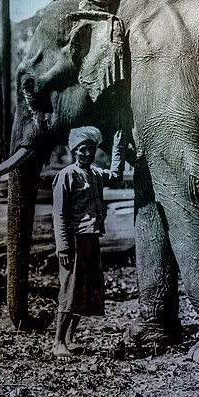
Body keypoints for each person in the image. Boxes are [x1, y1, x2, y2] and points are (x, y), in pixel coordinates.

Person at [51, 126, 125, 358]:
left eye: (90, 149)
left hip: (91, 237)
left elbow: (116, 176)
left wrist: (118, 148)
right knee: (70, 289)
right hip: (73, 240)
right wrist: (63, 246)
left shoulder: (95, 174)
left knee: (85, 290)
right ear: (74, 151)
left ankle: (70, 339)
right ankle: (57, 342)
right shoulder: (66, 176)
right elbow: (59, 215)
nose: (87, 154)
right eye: (82, 150)